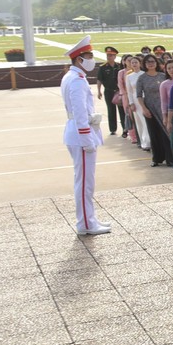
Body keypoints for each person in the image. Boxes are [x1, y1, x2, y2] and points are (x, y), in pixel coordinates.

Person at [61, 36, 111, 236]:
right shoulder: (76, 80)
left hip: (79, 132)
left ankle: (89, 219)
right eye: (89, 56)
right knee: (84, 184)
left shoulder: (73, 77)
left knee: (85, 182)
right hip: (81, 135)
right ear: (79, 59)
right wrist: (86, 139)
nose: (92, 59)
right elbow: (80, 113)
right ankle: (86, 224)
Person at [136, 54, 171, 167]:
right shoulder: (142, 78)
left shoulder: (163, 76)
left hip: (163, 108)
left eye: (153, 61)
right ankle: (157, 158)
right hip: (150, 109)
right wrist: (144, 108)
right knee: (154, 133)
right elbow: (139, 95)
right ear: (144, 64)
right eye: (148, 62)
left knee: (166, 133)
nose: (151, 63)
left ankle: (170, 158)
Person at [95, 46, 124, 136]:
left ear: (115, 56)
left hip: (119, 91)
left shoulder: (119, 66)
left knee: (122, 110)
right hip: (109, 91)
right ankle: (112, 129)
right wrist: (99, 91)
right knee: (111, 110)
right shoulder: (103, 67)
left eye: (111, 55)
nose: (109, 57)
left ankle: (125, 128)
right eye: (108, 55)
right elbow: (99, 79)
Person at [124, 56, 149, 150]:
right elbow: (129, 91)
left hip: (144, 98)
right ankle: (143, 142)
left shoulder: (144, 74)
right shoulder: (129, 76)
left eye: (136, 62)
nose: (134, 64)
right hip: (135, 99)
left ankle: (148, 141)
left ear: (140, 63)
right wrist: (131, 103)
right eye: (132, 63)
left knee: (145, 120)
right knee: (139, 122)